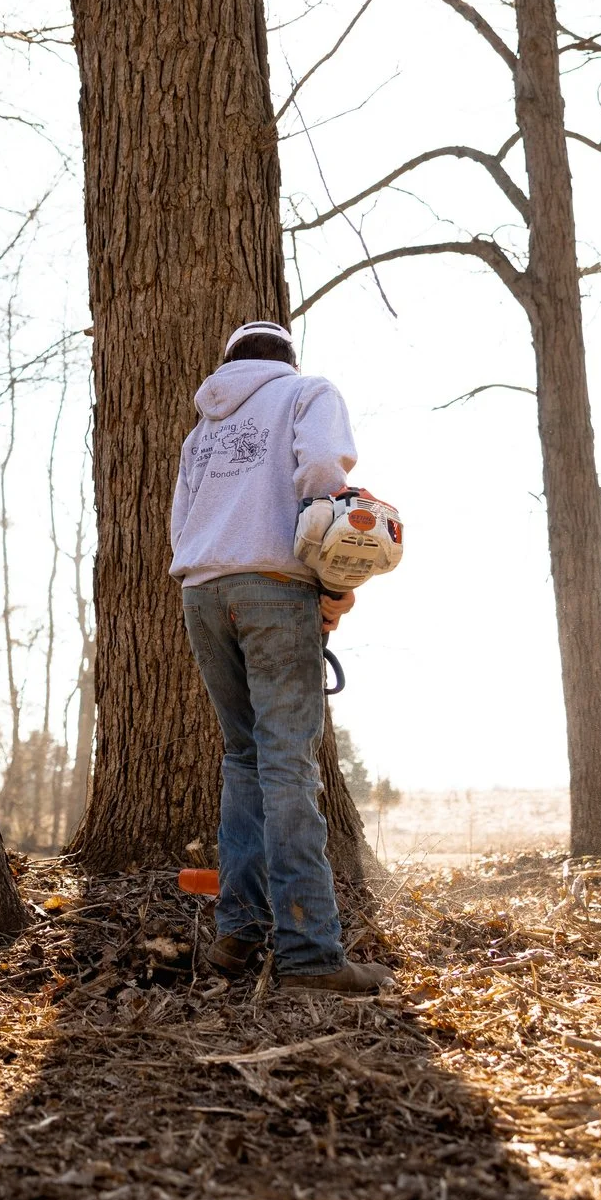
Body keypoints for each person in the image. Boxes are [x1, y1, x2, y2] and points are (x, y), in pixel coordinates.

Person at [169, 320, 391, 994]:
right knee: (288, 764)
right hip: (273, 586)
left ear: (229, 364)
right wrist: (331, 577)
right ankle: (308, 952)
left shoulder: (200, 429)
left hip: (201, 592)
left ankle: (238, 931)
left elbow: (180, 522)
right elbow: (323, 472)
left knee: (245, 759)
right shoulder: (306, 392)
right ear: (286, 361)